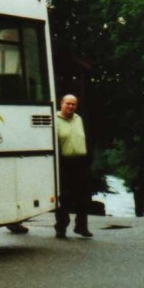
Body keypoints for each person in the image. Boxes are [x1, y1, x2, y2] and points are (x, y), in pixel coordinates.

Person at [55, 93, 93, 239]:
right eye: (68, 103)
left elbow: (88, 139)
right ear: (61, 104)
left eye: (73, 104)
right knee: (64, 197)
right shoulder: (55, 120)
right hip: (65, 163)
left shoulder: (79, 119)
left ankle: (81, 227)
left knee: (84, 197)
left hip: (81, 162)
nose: (71, 106)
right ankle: (61, 228)